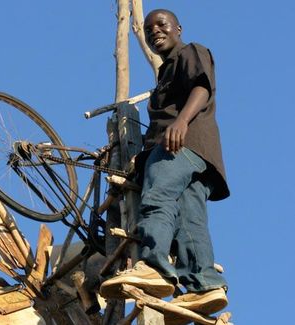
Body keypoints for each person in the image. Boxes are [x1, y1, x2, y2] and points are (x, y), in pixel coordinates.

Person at [100, 9, 229, 315]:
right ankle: (204, 285)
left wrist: (181, 123)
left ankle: (152, 266)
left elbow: (202, 87)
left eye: (161, 24)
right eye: (147, 30)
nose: (154, 31)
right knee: (189, 218)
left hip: (180, 144)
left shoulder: (191, 51)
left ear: (178, 28)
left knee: (157, 197)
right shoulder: (165, 73)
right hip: (198, 154)